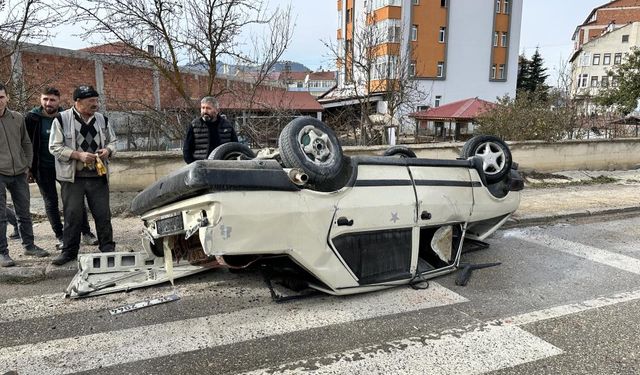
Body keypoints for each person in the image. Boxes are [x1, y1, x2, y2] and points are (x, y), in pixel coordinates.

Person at [49, 85, 117, 266]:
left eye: (96, 100)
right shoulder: (61, 119)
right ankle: (69, 252)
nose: (95, 104)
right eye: (90, 101)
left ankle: (107, 248)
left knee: (103, 214)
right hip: (73, 177)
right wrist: (78, 155)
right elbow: (54, 147)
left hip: (98, 176)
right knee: (73, 216)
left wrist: (108, 150)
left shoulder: (102, 119)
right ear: (78, 102)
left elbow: (114, 141)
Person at [25, 87, 99, 249]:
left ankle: (85, 233)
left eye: (52, 100)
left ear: (59, 101)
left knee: (75, 201)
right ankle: (60, 236)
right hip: (42, 168)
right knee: (50, 202)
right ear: (40, 99)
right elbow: (26, 143)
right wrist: (29, 168)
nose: (48, 103)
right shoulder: (32, 118)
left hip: (66, 165)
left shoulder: (67, 117)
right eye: (45, 99)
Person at [0, 83, 49, 267]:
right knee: (1, 216)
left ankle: (29, 245)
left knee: (24, 213)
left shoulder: (17, 118)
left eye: (1, 97)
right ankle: (3, 253)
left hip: (19, 172)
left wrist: (27, 165)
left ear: (7, 98)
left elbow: (26, 143)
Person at [182, 96, 237, 164]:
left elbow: (235, 147)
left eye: (208, 108)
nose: (205, 111)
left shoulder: (227, 125)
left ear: (217, 110)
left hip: (222, 166)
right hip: (201, 167)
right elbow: (187, 150)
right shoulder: (194, 125)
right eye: (203, 108)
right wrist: (194, 165)